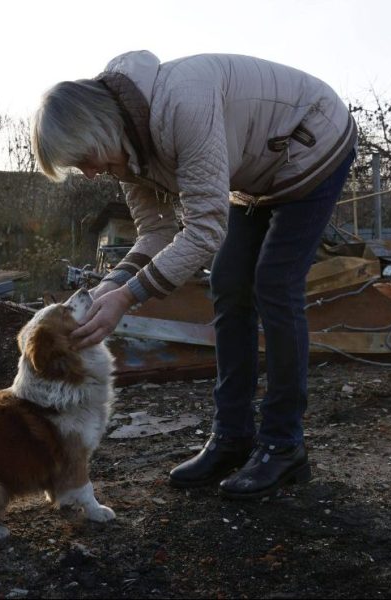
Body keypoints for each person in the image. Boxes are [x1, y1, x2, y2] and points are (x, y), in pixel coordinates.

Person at [31, 51, 357, 500]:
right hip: (255, 173)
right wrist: (110, 287)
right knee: (228, 282)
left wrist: (129, 298)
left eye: (84, 157)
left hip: (313, 142)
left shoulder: (182, 104)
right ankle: (232, 436)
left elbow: (205, 229)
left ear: (99, 127)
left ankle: (284, 446)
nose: (88, 173)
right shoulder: (126, 152)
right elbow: (154, 233)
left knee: (273, 284)